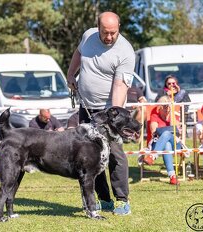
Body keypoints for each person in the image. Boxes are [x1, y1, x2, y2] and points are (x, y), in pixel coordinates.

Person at [67, 11, 135, 215]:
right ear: (98, 28)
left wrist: (112, 121)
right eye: (105, 33)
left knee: (114, 154)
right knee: (89, 155)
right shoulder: (88, 35)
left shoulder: (125, 52)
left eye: (113, 33)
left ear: (119, 28)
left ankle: (122, 200)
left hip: (109, 111)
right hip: (86, 108)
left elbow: (120, 87)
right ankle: (104, 200)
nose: (109, 37)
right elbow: (79, 53)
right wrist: (71, 74)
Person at [143, 95, 181, 185]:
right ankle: (172, 177)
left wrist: (171, 114)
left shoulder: (173, 116)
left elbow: (176, 131)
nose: (166, 109)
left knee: (167, 134)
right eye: (164, 106)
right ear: (159, 107)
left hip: (175, 144)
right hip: (158, 143)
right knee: (166, 144)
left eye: (168, 106)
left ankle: (152, 156)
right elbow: (153, 132)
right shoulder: (155, 116)